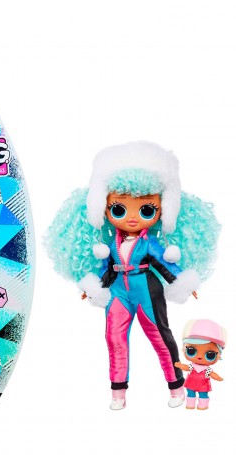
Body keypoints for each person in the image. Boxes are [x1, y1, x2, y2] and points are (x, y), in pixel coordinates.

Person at [46, 142, 220, 409]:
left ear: (163, 210)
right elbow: (107, 270)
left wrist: (181, 281)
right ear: (103, 208)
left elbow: (165, 264)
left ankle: (176, 386)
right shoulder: (111, 244)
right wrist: (94, 286)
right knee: (114, 339)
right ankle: (118, 393)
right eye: (118, 209)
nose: (131, 218)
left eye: (146, 210)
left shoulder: (149, 244)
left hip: (147, 290)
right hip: (118, 291)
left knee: (160, 337)